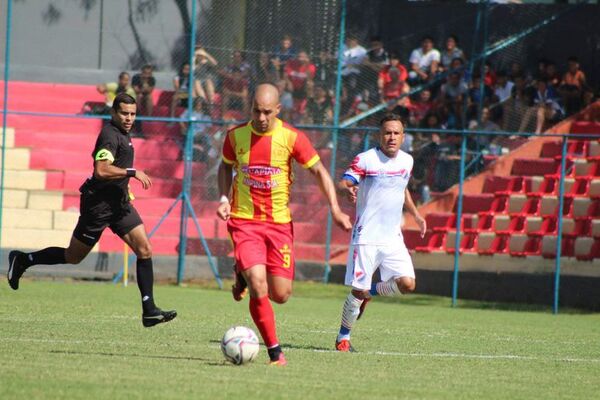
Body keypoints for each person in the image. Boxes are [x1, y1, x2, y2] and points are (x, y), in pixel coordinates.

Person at [7, 93, 176, 327]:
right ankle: (24, 259)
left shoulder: (124, 135)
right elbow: (102, 170)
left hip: (119, 204)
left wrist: (124, 187)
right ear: (114, 113)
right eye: (124, 113)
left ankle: (149, 310)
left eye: (133, 114)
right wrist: (131, 172)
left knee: (145, 249)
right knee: (73, 256)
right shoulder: (109, 135)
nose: (129, 118)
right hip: (98, 207)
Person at [216, 83, 352, 365]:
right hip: (244, 222)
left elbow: (319, 171)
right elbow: (225, 165)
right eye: (256, 111)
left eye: (267, 112)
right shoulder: (236, 135)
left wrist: (336, 210)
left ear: (278, 109)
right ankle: (275, 352)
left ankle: (242, 273)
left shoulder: (292, 137)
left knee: (281, 294)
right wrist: (223, 198)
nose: (261, 117)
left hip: (279, 225)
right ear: (250, 107)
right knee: (259, 285)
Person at [334, 113, 426, 352]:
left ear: (403, 136)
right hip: (366, 237)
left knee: (408, 284)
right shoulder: (366, 160)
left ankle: (370, 293)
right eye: (387, 133)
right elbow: (344, 182)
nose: (392, 137)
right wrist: (347, 190)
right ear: (380, 135)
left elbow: (403, 187)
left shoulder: (407, 161)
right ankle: (343, 338)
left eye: (396, 133)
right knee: (356, 290)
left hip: (393, 237)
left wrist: (415, 214)